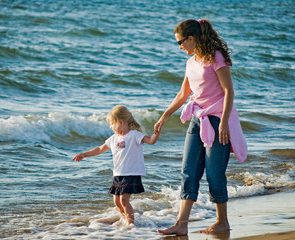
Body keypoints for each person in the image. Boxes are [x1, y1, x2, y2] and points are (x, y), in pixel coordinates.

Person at [154, 19, 247, 235]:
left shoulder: (216, 57)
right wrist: (164, 116)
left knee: (214, 173)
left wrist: (224, 122)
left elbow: (228, 91)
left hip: (217, 119)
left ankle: (222, 221)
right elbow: (183, 94)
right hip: (198, 119)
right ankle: (181, 224)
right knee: (189, 171)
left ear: (191, 39)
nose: (179, 47)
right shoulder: (191, 62)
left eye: (180, 42)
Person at [73, 105, 160, 225]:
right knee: (117, 202)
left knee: (124, 200)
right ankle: (125, 219)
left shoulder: (134, 135)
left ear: (121, 121)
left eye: (112, 123)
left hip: (131, 173)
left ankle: (131, 224)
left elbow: (151, 141)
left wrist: (156, 133)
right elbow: (100, 149)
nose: (110, 126)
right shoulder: (113, 138)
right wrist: (84, 154)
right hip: (118, 174)